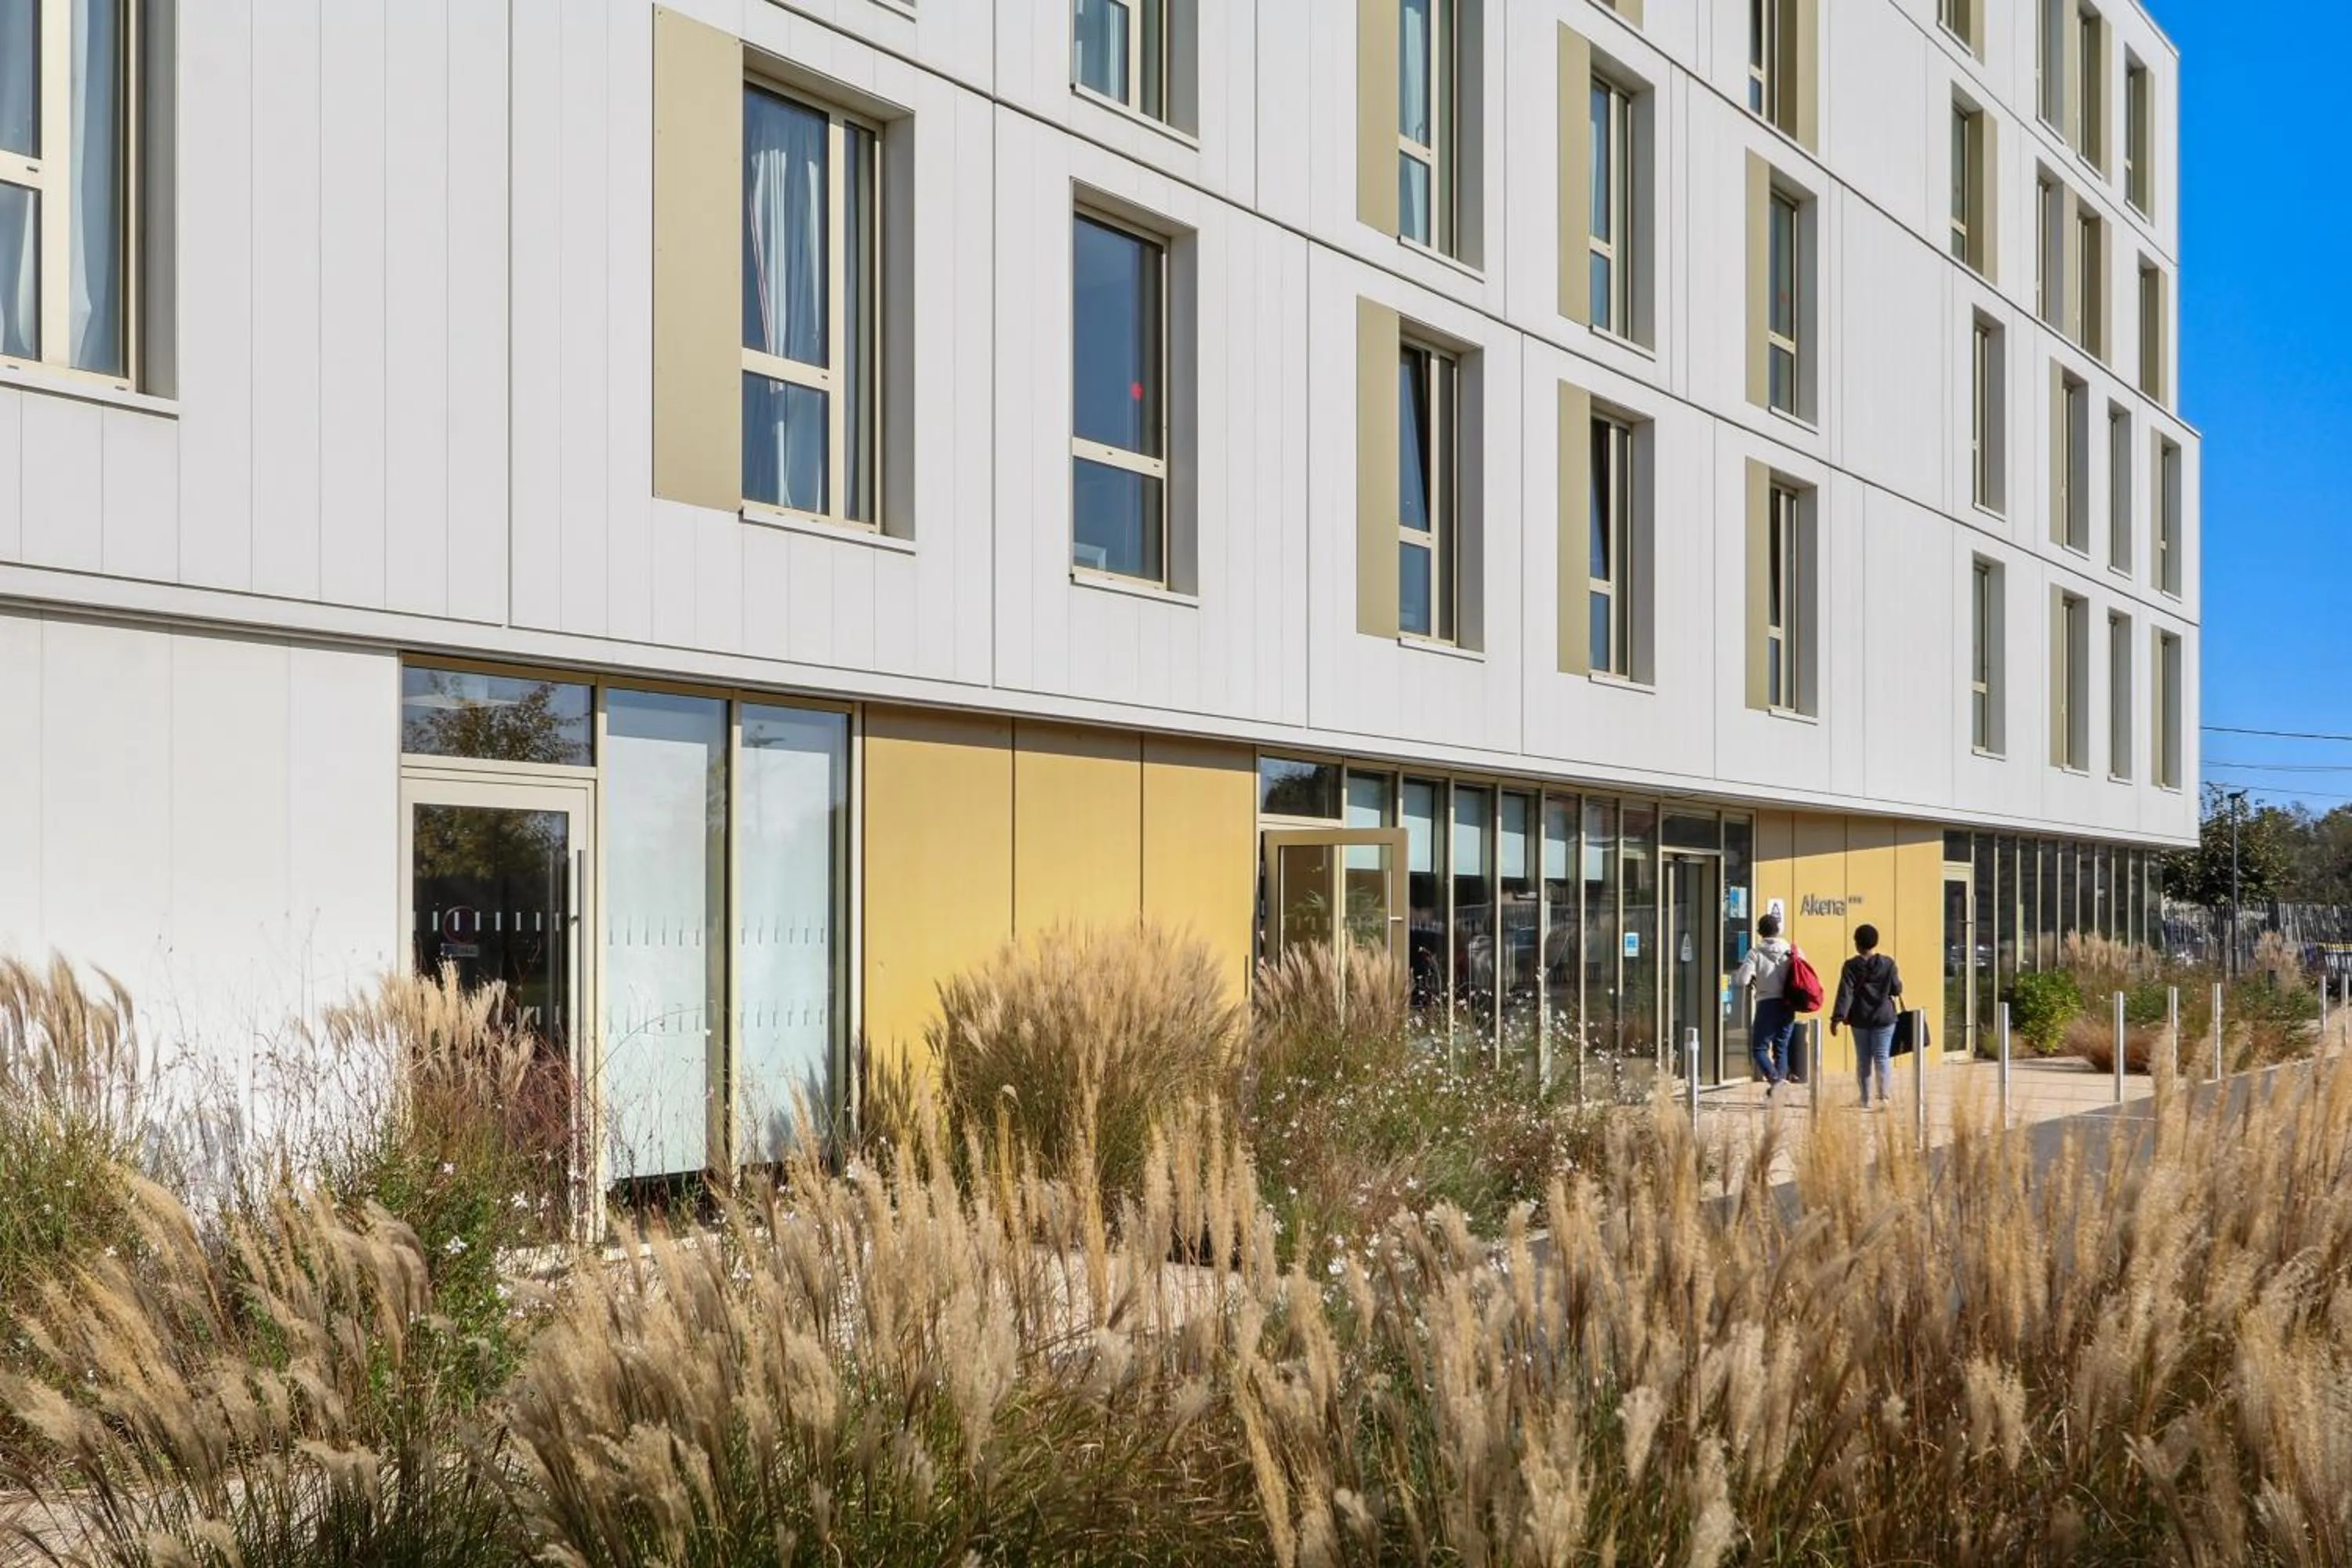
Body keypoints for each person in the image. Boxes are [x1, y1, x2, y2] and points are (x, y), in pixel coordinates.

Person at [1829, 924, 1904, 1109]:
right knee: (1882, 1056)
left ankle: (1865, 1099)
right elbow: (1896, 989)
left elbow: (1845, 993)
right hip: (1884, 1017)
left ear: (1857, 943)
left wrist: (1837, 1018)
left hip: (1860, 1018)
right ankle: (1884, 1098)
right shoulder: (1888, 964)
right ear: (1875, 942)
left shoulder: (1851, 966)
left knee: (1863, 1059)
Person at [1732, 913, 1798, 1096]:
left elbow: (1743, 979)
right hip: (1788, 1003)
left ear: (1760, 932)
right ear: (1778, 930)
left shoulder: (1755, 953)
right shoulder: (1791, 950)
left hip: (1767, 1003)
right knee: (1781, 1045)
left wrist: (1746, 976)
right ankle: (1780, 1086)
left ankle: (1775, 1081)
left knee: (1759, 1048)